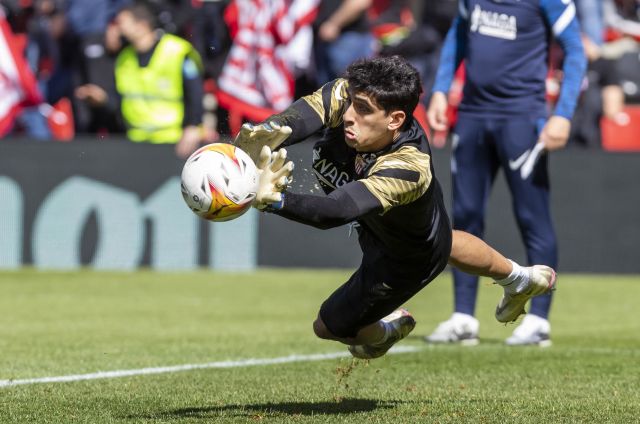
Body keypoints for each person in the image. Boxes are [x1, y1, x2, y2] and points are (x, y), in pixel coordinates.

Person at [234, 56, 556, 359]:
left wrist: (276, 201)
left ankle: (384, 334)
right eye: (350, 104)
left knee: (329, 327)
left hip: (403, 258)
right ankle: (518, 279)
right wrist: (267, 134)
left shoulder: (408, 166)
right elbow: (299, 120)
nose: (348, 115)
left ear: (395, 120)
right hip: (390, 224)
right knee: (447, 239)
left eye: (362, 110)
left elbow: (338, 209)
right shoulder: (350, 93)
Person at [425, 0, 586, 346]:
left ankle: (539, 320)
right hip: (471, 115)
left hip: (522, 119)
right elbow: (458, 36)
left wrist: (564, 113)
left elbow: (576, 50)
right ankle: (463, 317)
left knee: (532, 216)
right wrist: (440, 89)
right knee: (465, 217)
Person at [76, 1, 204, 157]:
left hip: (172, 140)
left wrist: (192, 126)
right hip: (135, 141)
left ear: (141, 25)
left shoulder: (177, 51)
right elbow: (122, 99)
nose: (118, 28)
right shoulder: (124, 58)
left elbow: (195, 94)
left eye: (122, 22)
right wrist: (103, 99)